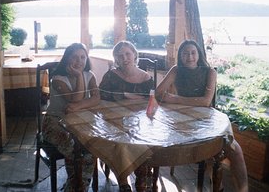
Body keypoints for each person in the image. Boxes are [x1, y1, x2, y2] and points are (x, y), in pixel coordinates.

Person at [155, 39, 249, 192]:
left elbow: (206, 102)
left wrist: (175, 99)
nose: (189, 57)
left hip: (206, 119)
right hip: (182, 120)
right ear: (180, 56)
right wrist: (188, 102)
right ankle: (217, 183)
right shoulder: (176, 70)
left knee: (236, 151)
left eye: (193, 53)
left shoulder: (210, 72)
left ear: (199, 54)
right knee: (208, 150)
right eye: (185, 54)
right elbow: (158, 92)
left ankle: (243, 190)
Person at [42, 43, 100, 192]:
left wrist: (79, 106)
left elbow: (96, 98)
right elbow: (75, 99)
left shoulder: (90, 75)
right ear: (66, 59)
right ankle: (77, 188)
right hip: (54, 122)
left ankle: (75, 187)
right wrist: (79, 75)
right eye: (74, 57)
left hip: (79, 122)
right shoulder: (58, 78)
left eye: (82, 57)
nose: (79, 61)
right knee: (75, 148)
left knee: (91, 147)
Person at [99, 40, 154, 192]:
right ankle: (123, 180)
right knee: (119, 142)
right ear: (116, 58)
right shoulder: (111, 75)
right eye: (120, 55)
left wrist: (127, 98)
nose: (125, 58)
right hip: (114, 118)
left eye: (128, 54)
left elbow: (151, 99)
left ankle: (143, 172)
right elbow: (101, 94)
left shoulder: (146, 78)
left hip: (140, 120)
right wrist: (126, 94)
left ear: (135, 55)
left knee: (143, 139)